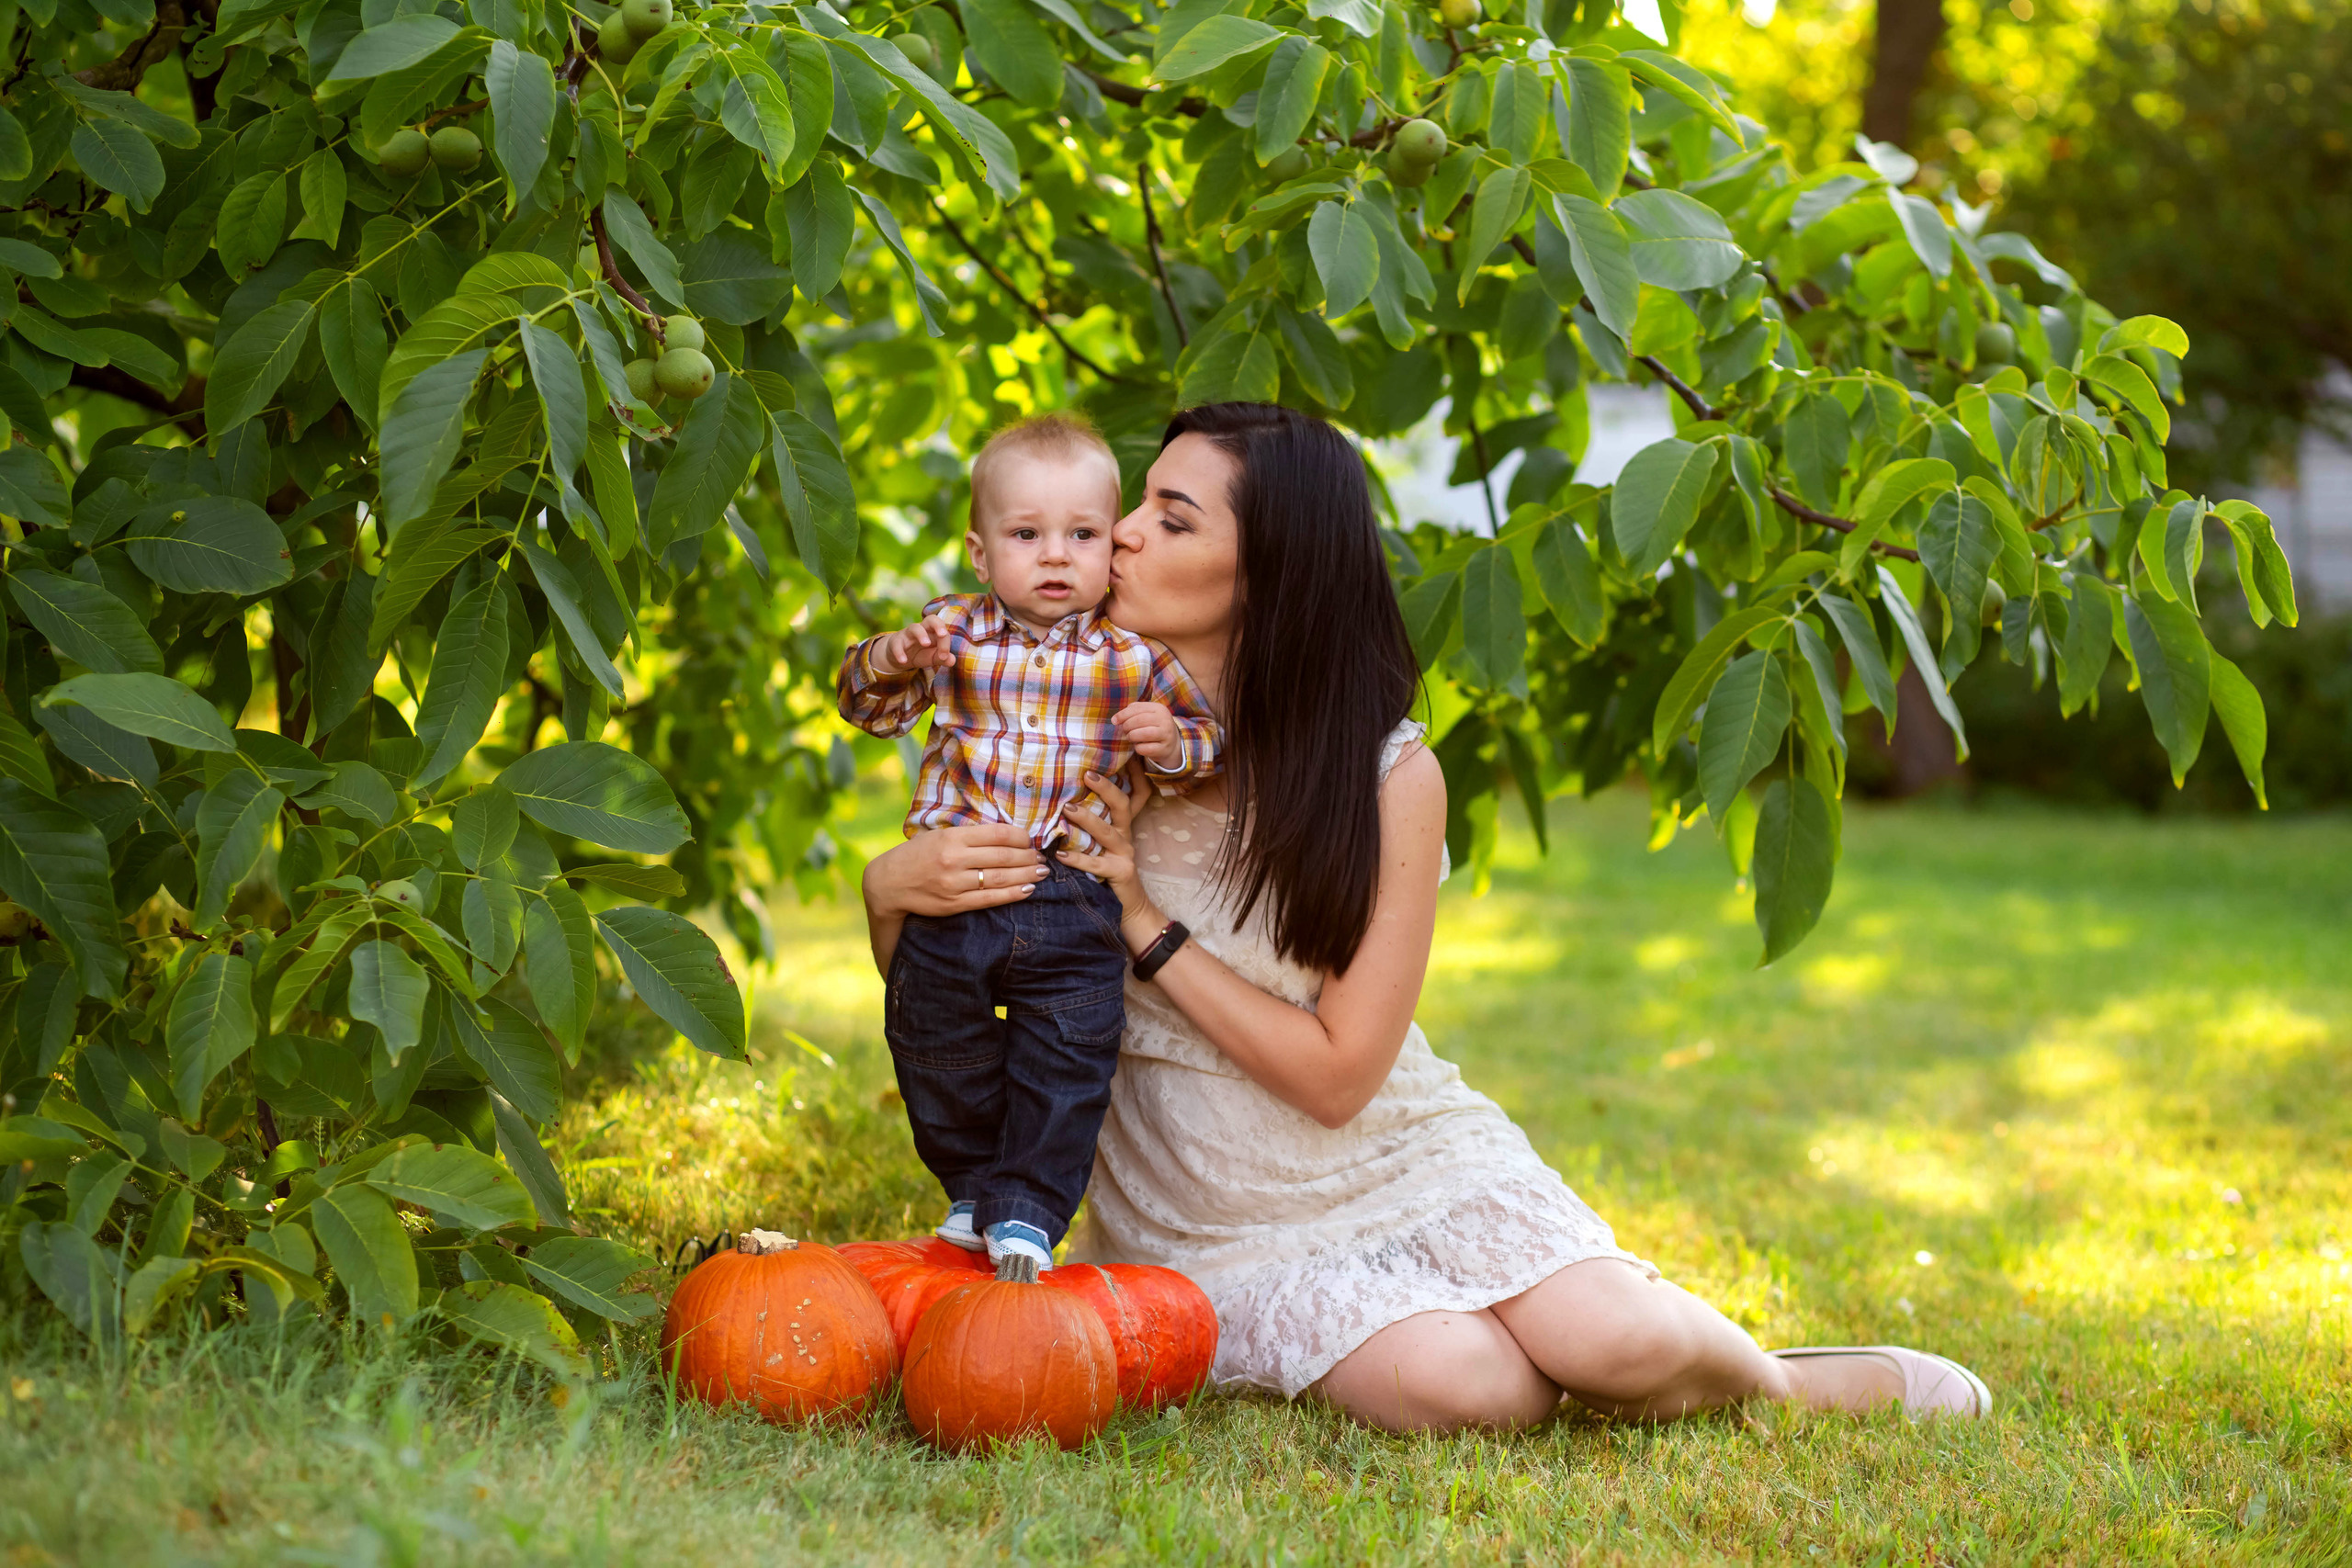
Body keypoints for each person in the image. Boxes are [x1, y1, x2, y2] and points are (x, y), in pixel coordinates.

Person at [859, 401, 1990, 1429]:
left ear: (1269, 572)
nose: (1123, 536)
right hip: (1204, 1220)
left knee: (1617, 1342)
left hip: (1399, 1152)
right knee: (1467, 1388)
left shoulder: (1384, 773)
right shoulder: (1053, 744)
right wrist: (887, 893)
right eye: (1137, 507)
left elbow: (1343, 1074)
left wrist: (1144, 924)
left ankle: (1780, 1380)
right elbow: (955, 1001)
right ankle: (1506, 1343)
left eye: (1172, 516)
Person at [836, 412, 1222, 1277]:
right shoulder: (952, 633)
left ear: (1108, 544)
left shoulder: (1133, 657)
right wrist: (895, 658)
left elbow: (1207, 743)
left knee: (1069, 1051)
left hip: (1071, 893)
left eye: (1083, 534)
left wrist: (1168, 737)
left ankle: (1029, 1210)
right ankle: (972, 1181)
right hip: (960, 883)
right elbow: (868, 708)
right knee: (935, 1034)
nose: (1056, 556)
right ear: (981, 555)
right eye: (1027, 534)